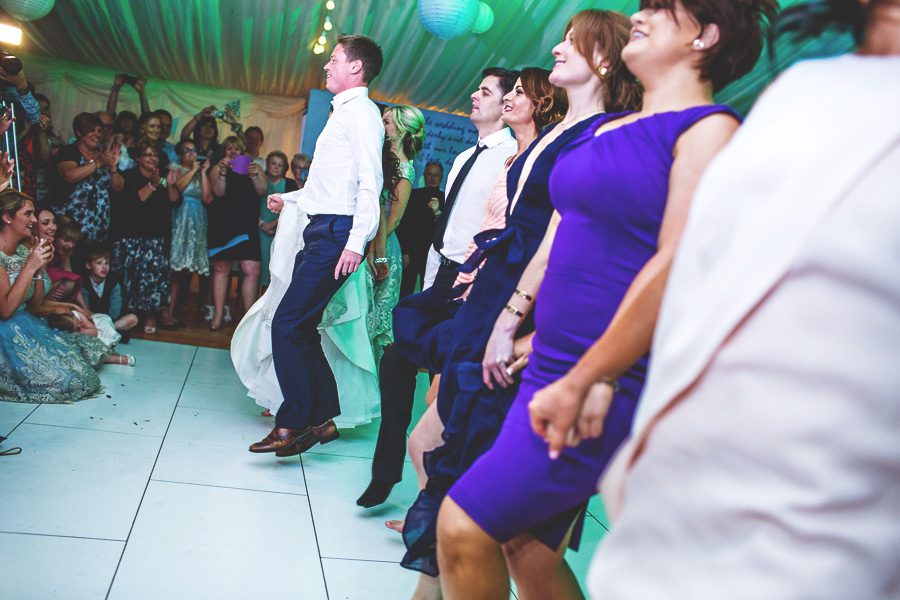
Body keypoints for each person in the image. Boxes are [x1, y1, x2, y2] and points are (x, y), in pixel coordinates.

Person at [435, 1, 777, 597]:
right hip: (552, 362)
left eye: (662, 9)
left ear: (706, 36)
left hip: (608, 377)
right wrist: (519, 322)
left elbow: (676, 264)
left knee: (463, 527)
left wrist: (598, 371)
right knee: (527, 550)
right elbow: (562, 237)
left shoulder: (709, 130)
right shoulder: (604, 130)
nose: (640, 14)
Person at [571, 2, 900, 597]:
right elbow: (707, 270)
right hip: (672, 495)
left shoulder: (712, 127)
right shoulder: (808, 87)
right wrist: (603, 373)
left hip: (820, 534)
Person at [397, 13, 640, 586]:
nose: (555, 47)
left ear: (604, 61)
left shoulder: (603, 132)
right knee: (435, 449)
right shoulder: (559, 128)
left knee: (510, 532)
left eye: (572, 41)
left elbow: (574, 238)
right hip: (493, 295)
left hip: (525, 304)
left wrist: (523, 322)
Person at [357, 66, 518, 509]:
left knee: (442, 388)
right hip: (441, 278)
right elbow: (446, 228)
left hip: (473, 282)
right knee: (397, 360)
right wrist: (430, 283)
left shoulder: (511, 157)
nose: (474, 96)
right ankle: (386, 472)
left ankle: (435, 500)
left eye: (485, 91)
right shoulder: (465, 157)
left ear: (506, 105)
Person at [247, 34, 384, 457]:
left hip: (337, 234)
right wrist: (288, 199)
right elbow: (329, 187)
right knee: (301, 326)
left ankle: (291, 423)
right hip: (324, 228)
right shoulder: (343, 112)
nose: (326, 65)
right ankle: (322, 420)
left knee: (287, 324)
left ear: (356, 67)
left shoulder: (362, 113)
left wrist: (356, 243)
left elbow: (370, 182)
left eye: (335, 59)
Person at [0, 189, 107, 404]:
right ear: (7, 218)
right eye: (28, 214)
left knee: (81, 374)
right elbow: (5, 311)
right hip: (4, 330)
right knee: (65, 383)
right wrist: (30, 267)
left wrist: (39, 268)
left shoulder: (22, 251)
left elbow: (35, 304)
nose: (33, 220)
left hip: (26, 322)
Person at [369, 105, 425, 362]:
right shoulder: (381, 160)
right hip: (369, 240)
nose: (382, 126)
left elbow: (394, 219)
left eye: (387, 122)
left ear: (401, 131)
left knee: (374, 317)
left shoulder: (405, 169)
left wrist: (374, 250)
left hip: (383, 247)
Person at [112, 139, 179, 334]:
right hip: (132, 235)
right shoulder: (130, 176)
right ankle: (128, 317)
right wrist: (152, 184)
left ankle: (151, 315)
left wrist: (171, 186)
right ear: (138, 158)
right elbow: (136, 200)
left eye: (155, 155)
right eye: (148, 154)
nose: (152, 158)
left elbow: (175, 201)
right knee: (131, 277)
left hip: (157, 235)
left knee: (155, 277)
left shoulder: (165, 175)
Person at [206, 135, 261, 330]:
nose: (232, 151)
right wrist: (222, 173)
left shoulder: (253, 167)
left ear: (242, 151)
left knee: (251, 269)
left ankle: (248, 320)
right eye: (229, 148)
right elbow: (218, 192)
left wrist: (254, 175)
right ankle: (218, 315)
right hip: (224, 223)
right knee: (222, 268)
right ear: (224, 151)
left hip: (246, 224)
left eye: (236, 148)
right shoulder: (217, 168)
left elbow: (262, 190)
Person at [50, 112, 125, 243]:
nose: (97, 135)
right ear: (79, 133)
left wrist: (113, 167)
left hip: (98, 222)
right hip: (72, 221)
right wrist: (98, 163)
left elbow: (118, 187)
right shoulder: (69, 151)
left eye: (99, 131)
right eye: (92, 131)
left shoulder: (105, 153)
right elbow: (69, 176)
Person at [163, 140, 212, 327]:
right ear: (180, 154)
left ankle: (174, 311)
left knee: (184, 271)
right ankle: (167, 312)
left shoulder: (200, 173)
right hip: (180, 219)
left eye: (194, 150)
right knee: (174, 270)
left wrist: (203, 172)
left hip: (197, 221)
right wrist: (193, 171)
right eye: (188, 151)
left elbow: (207, 198)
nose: (192, 154)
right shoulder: (175, 169)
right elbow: (178, 188)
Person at [396, 161, 444, 298]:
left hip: (432, 254)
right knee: (405, 289)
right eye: (429, 174)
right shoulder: (413, 195)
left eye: (436, 175)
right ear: (424, 175)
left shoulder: (445, 198)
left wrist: (438, 213)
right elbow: (404, 224)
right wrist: (404, 251)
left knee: (427, 291)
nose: (432, 178)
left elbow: (447, 229)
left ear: (441, 177)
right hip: (412, 251)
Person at [258, 150, 298, 290]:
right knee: (255, 268)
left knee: (272, 268)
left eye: (280, 165)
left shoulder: (290, 184)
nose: (276, 167)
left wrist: (273, 225)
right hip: (258, 230)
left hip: (279, 231)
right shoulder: (260, 181)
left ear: (285, 168)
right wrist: (261, 224)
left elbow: (292, 209)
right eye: (273, 163)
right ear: (267, 164)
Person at [81, 244, 138, 336]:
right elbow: (86, 309)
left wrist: (107, 320)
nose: (104, 267)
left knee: (133, 319)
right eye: (99, 263)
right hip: (91, 320)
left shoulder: (113, 284)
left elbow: (115, 310)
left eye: (106, 263)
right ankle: (105, 332)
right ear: (88, 265)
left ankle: (105, 331)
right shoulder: (84, 284)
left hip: (110, 320)